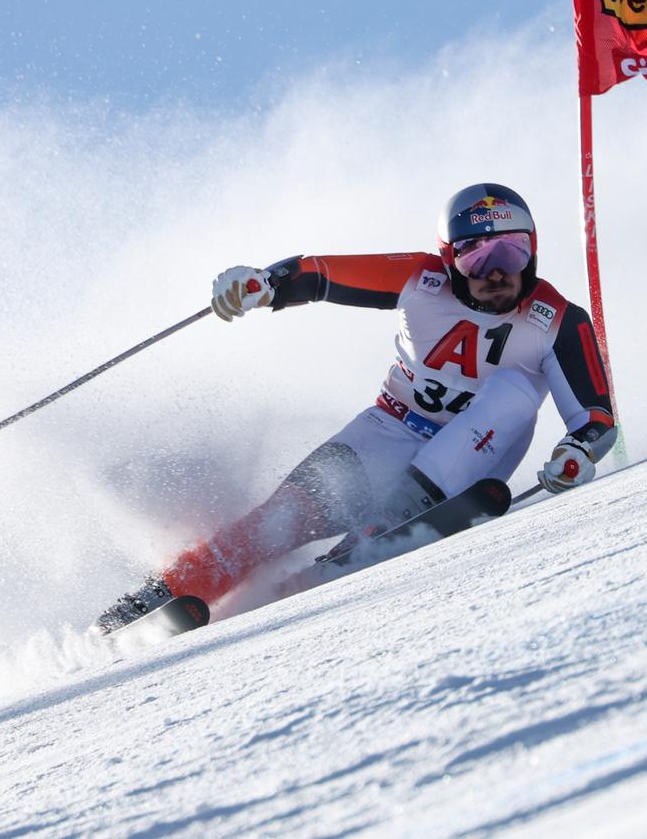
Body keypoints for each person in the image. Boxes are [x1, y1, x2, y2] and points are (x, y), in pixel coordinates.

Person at [95, 183, 618, 634]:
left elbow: (596, 418)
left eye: (512, 253)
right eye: (475, 257)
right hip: (388, 429)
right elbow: (320, 273)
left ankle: (375, 533)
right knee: (278, 522)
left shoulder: (559, 320)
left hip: (474, 454)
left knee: (514, 393)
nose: (497, 272)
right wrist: (264, 284)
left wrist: (576, 450)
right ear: (448, 259)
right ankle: (148, 604)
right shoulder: (421, 279)